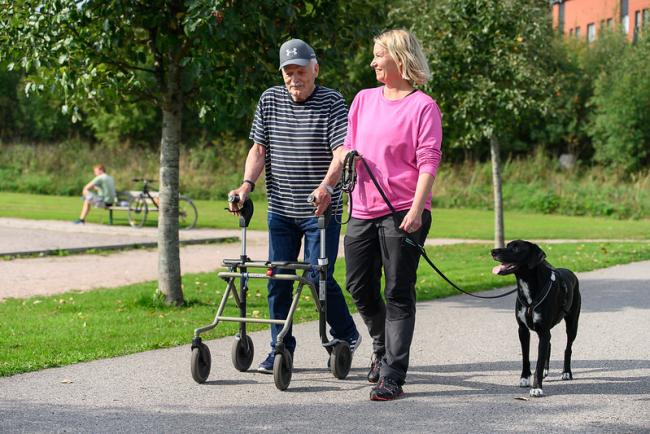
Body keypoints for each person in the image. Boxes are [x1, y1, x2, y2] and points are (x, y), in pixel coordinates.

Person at [318, 29, 442, 401]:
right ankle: (380, 343)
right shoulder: (363, 100)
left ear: (399, 59)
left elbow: (428, 161)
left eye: (378, 55)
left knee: (398, 291)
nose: (372, 62)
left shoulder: (423, 106)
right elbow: (347, 151)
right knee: (358, 285)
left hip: (403, 210)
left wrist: (418, 208)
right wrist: (326, 187)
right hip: (362, 207)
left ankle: (392, 375)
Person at [228, 38, 361, 374]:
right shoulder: (269, 100)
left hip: (320, 210)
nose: (294, 78)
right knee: (278, 278)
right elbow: (259, 150)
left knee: (319, 277)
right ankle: (279, 349)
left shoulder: (332, 102)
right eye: (288, 71)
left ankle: (345, 334)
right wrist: (246, 185)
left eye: (300, 70)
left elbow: (341, 152)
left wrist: (327, 186)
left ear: (315, 69)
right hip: (281, 209)